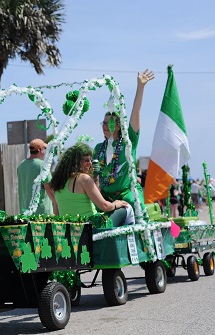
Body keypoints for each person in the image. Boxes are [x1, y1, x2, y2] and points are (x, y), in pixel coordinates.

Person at [94, 69, 154, 214]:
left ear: (119, 126)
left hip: (127, 192)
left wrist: (140, 87)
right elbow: (94, 176)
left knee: (135, 204)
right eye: (103, 122)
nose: (105, 126)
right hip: (106, 196)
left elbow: (136, 113)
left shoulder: (128, 141)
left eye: (110, 123)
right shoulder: (98, 148)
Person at [50, 143, 135, 226]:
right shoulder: (84, 179)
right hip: (92, 227)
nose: (90, 163)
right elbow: (104, 206)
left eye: (91, 160)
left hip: (70, 230)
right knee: (127, 208)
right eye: (86, 160)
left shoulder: (57, 182)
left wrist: (96, 180)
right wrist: (116, 204)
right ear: (76, 162)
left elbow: (56, 213)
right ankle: (134, 238)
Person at [17, 138, 57, 215]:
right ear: (41, 150)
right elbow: (49, 189)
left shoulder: (21, 165)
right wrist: (57, 204)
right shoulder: (42, 165)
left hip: (25, 213)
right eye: (44, 148)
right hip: (42, 214)